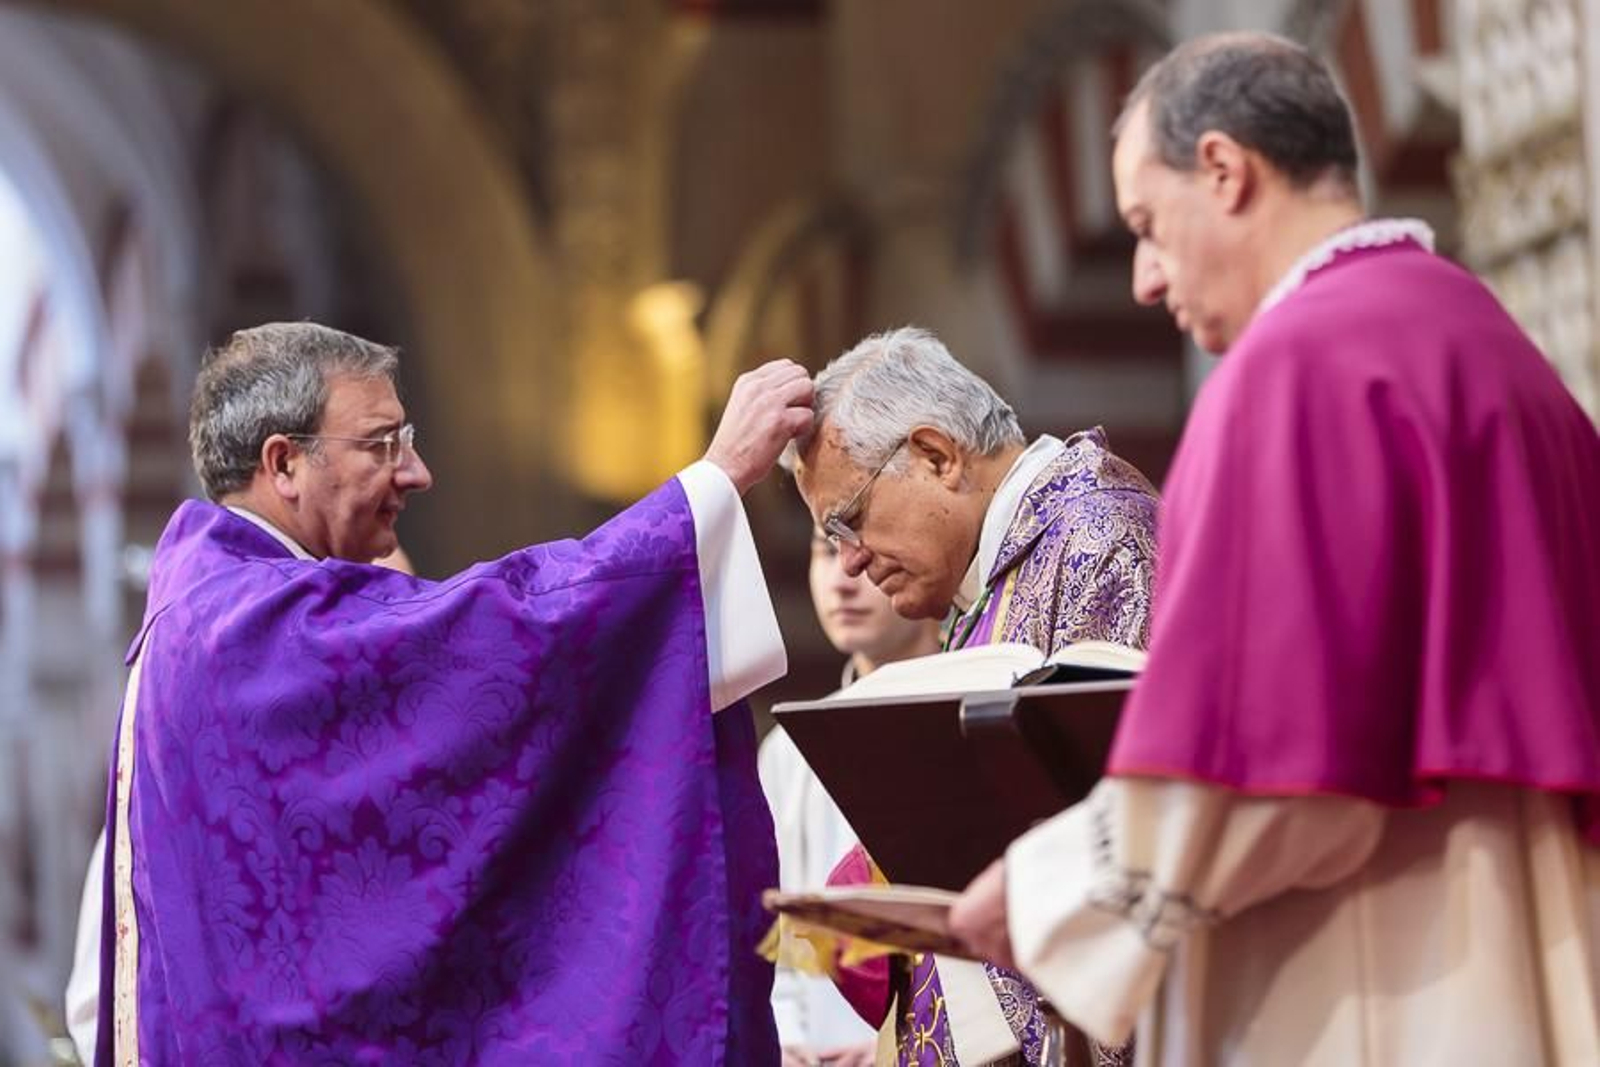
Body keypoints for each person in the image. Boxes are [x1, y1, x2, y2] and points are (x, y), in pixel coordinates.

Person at [949, 32, 1600, 1066]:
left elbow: (1280, 766)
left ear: (1223, 170)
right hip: (1527, 967)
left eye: (1147, 226)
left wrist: (1041, 893)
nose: (1143, 279)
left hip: (1366, 979)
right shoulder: (1502, 355)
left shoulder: (1292, 373)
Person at [93, 322, 813, 1064]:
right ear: (284, 463)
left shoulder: (208, 601)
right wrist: (711, 486)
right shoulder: (246, 625)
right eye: (381, 444)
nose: (416, 472)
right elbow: (496, 637)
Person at [787, 326, 1159, 1065]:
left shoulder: (1098, 537)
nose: (852, 562)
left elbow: (1131, 835)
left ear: (936, 455)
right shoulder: (999, 572)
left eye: (850, 520)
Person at [759, 528, 942, 1067]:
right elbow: (776, 927)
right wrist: (785, 1037)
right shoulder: (787, 750)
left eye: (865, 550)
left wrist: (899, 1042)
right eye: (822, 549)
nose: (842, 580)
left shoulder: (971, 718)